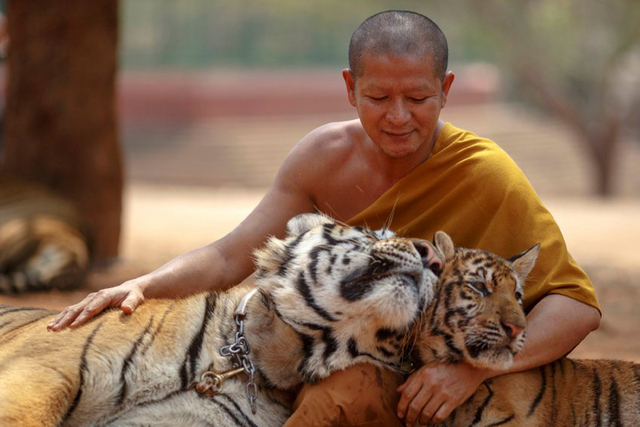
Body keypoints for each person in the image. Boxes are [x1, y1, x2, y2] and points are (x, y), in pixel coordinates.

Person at [48, 10, 601, 426]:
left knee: (337, 394)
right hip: (322, 346)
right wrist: (142, 285)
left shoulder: (486, 172)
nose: (399, 117)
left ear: (447, 91)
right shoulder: (322, 156)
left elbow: (575, 304)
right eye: (379, 96)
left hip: (417, 367)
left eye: (419, 98)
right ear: (349, 87)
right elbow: (228, 254)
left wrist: (475, 369)